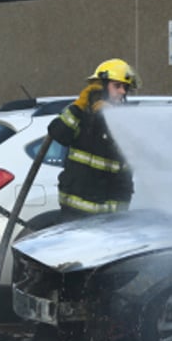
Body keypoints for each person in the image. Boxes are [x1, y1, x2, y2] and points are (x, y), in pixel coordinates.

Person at [48, 58, 139, 220]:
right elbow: (58, 133)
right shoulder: (82, 115)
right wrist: (78, 106)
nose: (123, 92)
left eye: (125, 87)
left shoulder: (126, 121)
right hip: (76, 214)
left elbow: (127, 170)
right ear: (101, 87)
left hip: (111, 217)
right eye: (117, 86)